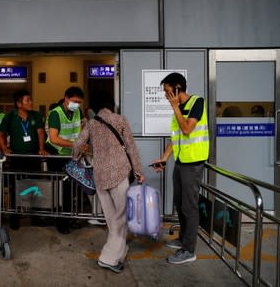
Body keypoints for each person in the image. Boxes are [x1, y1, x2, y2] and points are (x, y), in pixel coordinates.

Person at [72, 92, 145, 274]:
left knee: (112, 219)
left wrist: (77, 157)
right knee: (120, 218)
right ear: (111, 104)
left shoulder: (91, 124)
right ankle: (109, 258)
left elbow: (77, 145)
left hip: (101, 176)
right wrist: (138, 171)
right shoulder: (120, 120)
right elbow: (131, 147)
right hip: (119, 174)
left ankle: (119, 251)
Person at [151, 72, 209, 265]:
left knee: (189, 207)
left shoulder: (197, 103)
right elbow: (175, 138)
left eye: (168, 91)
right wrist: (164, 159)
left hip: (193, 164)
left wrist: (175, 106)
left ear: (177, 88)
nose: (166, 96)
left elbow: (187, 129)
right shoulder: (177, 109)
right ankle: (183, 239)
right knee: (178, 202)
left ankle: (189, 250)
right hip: (181, 162)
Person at [0, 90, 48, 229]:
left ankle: (36, 217)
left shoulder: (36, 115)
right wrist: (4, 148)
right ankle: (15, 218)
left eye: (31, 100)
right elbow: (0, 134)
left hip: (33, 157)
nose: (31, 102)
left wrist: (41, 148)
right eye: (28, 100)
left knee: (35, 187)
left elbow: (40, 133)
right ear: (19, 103)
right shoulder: (10, 117)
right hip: (17, 158)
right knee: (15, 187)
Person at [45, 87, 84, 233]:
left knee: (70, 189)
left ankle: (68, 219)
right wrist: (76, 144)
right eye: (74, 101)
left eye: (79, 102)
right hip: (56, 155)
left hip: (70, 155)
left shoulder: (77, 112)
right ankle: (59, 221)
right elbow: (54, 138)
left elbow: (78, 131)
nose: (77, 105)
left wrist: (82, 145)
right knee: (57, 189)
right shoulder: (55, 113)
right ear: (66, 99)